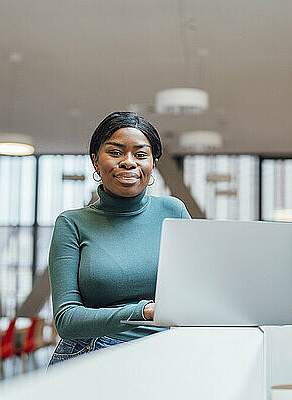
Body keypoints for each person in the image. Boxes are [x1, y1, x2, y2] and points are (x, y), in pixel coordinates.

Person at [47, 112, 190, 366]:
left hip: (164, 354)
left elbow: (195, 293)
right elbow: (66, 320)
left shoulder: (173, 211)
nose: (128, 162)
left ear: (153, 164)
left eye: (141, 154)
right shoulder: (71, 223)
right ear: (95, 160)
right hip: (91, 355)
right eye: (115, 152)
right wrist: (142, 311)